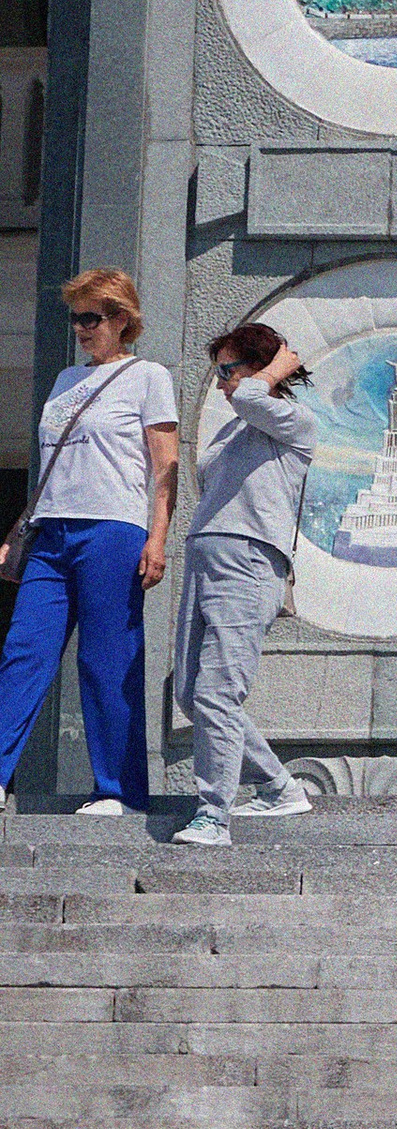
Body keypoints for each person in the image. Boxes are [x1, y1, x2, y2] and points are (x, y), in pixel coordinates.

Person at [0, 268, 178, 819]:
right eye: (75, 316)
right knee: (23, 651)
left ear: (122, 320)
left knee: (107, 660)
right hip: (52, 530)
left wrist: (158, 538)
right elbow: (51, 467)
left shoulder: (149, 376)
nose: (79, 327)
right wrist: (16, 533)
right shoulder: (62, 381)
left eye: (90, 317)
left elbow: (165, 464)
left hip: (113, 528)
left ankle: (116, 790)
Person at [169, 323, 319, 851]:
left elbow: (256, 396)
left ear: (262, 369)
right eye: (219, 372)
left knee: (218, 691)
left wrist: (277, 368)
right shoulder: (234, 430)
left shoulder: (293, 421)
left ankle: (214, 815)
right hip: (206, 558)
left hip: (249, 562)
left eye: (230, 370)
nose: (223, 383)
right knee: (191, 693)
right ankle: (279, 787)